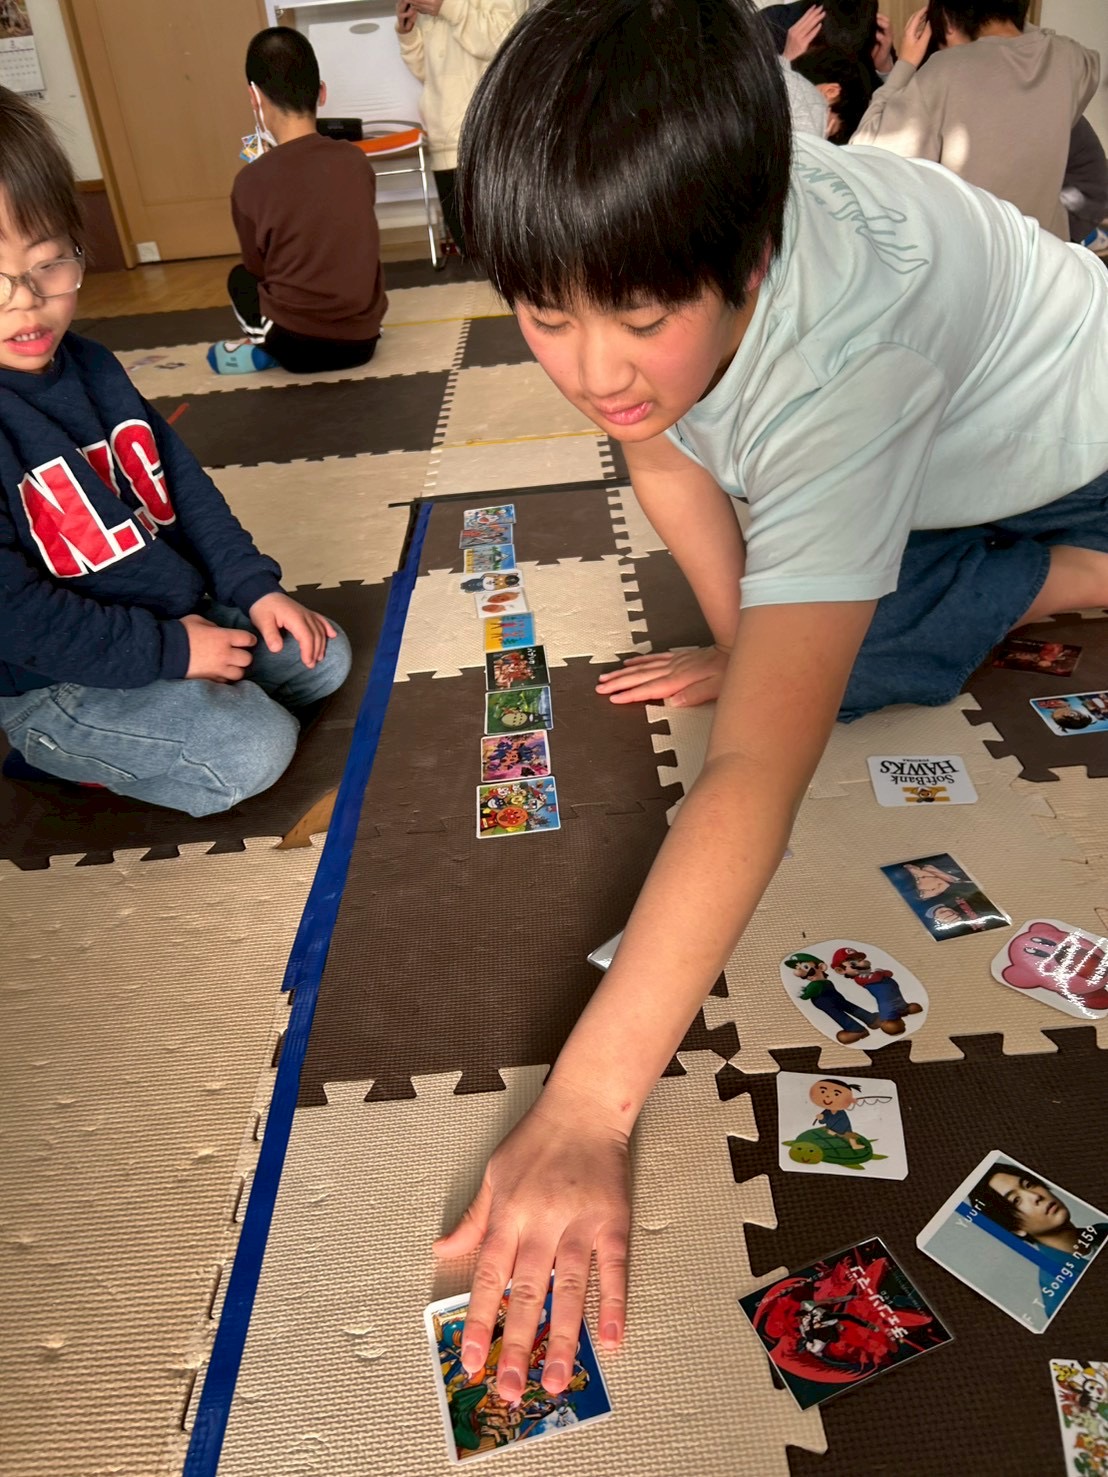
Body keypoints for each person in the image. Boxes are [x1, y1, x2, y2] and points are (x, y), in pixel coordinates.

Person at [430, 0, 1108, 1407]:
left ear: (748, 259)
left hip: (1077, 452)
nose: (590, 370)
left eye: (638, 318)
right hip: (943, 451)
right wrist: (753, 646)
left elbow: (754, 772)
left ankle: (1077, 576)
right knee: (803, 629)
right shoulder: (686, 217)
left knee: (841, 663)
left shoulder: (849, 360)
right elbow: (661, 444)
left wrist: (587, 1103)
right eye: (544, 315)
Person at [0, 88, 351, 815]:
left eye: (48, 265)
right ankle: (60, 753)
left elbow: (183, 489)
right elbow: (18, 617)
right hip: (56, 678)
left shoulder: (94, 365)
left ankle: (193, 689)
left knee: (325, 656)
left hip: (172, 615)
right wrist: (172, 653)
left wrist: (253, 588)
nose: (26, 302)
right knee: (254, 751)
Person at [210, 27, 387, 375]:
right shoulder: (355, 160)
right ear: (321, 92)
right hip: (363, 340)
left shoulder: (249, 181)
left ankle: (261, 348)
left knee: (240, 280)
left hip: (297, 348)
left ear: (254, 97)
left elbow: (257, 268)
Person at [850, 2, 1100, 238]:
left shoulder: (944, 70)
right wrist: (1008, 16)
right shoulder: (1076, 60)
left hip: (978, 253)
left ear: (947, 22)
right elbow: (1031, 42)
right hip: (1045, 249)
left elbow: (866, 153)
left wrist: (905, 63)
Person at [395, 0, 527, 256]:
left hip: (488, 139)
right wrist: (407, 32)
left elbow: (507, 40)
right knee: (470, 249)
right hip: (444, 138)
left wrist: (446, 7)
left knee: (508, 250)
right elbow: (425, 70)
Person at [967, 1162, 1108, 1311]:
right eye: (1016, 1200)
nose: (1035, 1196)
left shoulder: (1102, 1229)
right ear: (1016, 1229)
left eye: (1028, 1185)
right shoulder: (1060, 1293)